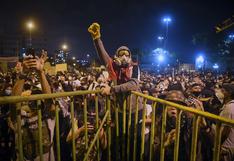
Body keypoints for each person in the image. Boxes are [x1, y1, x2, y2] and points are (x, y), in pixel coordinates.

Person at [12, 50, 55, 161]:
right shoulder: (18, 115)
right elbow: (13, 101)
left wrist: (41, 72)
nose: (32, 98)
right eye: (26, 97)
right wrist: (23, 74)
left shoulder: (47, 115)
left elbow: (49, 99)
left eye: (36, 94)